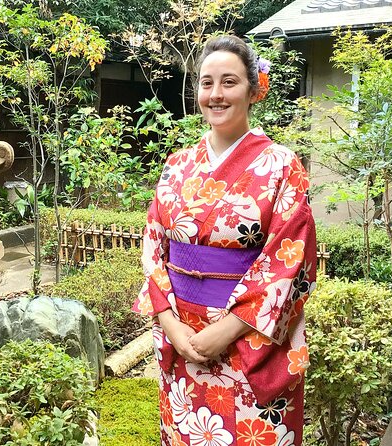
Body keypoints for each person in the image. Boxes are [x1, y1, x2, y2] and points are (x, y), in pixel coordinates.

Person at [132, 35, 317, 446]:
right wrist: (172, 326)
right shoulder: (178, 164)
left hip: (248, 341)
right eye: (206, 82)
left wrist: (226, 331)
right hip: (182, 341)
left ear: (253, 90)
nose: (215, 94)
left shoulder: (282, 165)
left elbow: (291, 262)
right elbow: (153, 247)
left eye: (229, 82)